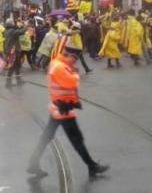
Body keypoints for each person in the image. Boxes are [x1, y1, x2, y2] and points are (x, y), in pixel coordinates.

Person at [27, 41, 110, 178]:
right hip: (63, 109)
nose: (75, 62)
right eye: (75, 59)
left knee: (47, 136)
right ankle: (92, 166)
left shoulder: (58, 64)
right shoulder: (61, 68)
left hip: (59, 107)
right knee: (76, 139)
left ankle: (33, 163)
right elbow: (70, 82)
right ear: (69, 55)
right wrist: (76, 74)